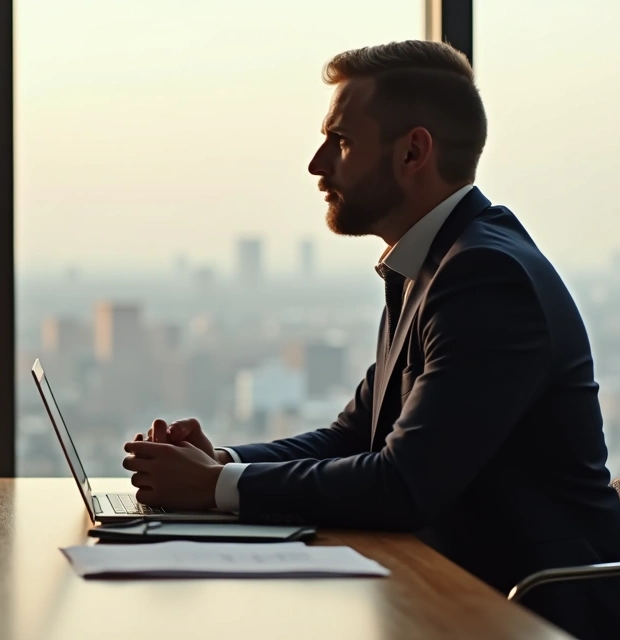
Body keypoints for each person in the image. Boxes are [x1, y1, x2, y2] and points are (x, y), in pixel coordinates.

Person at [122, 40, 620, 638]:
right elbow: (353, 435)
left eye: (341, 141)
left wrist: (216, 489)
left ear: (413, 151)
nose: (316, 163)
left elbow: (403, 483)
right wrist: (221, 463)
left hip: (526, 611)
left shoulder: (486, 277)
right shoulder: (433, 264)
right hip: (449, 590)